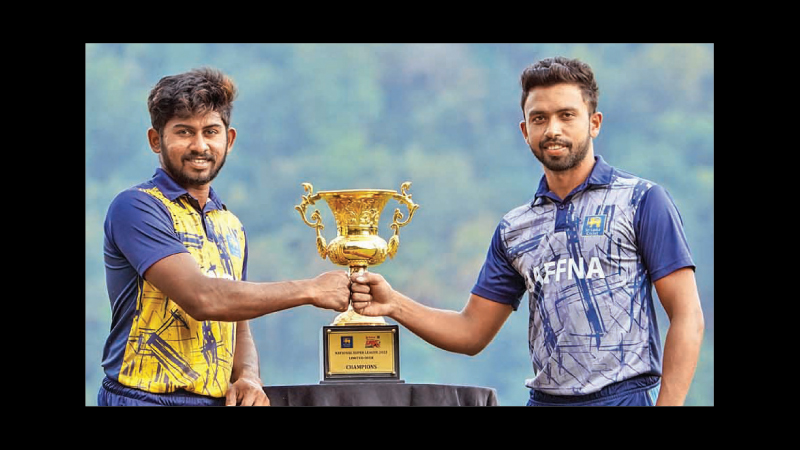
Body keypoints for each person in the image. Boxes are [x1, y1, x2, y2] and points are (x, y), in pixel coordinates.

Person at [350, 56, 705, 406]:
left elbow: (687, 315)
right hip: (544, 400)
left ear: (594, 123)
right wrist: (394, 304)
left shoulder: (642, 201)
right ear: (525, 131)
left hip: (622, 398)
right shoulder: (515, 229)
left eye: (567, 115)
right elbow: (471, 331)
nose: (553, 129)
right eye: (540, 118)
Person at [98, 68, 352, 406]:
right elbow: (203, 299)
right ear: (156, 140)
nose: (199, 145)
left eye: (210, 131)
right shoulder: (136, 207)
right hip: (142, 398)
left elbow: (236, 318)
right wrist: (309, 289)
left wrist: (247, 375)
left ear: (228, 140)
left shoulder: (229, 224)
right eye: (184, 132)